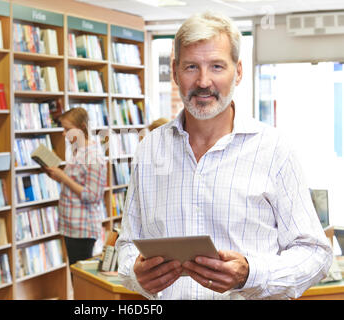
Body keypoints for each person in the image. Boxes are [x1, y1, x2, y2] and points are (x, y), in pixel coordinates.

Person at [115, 11, 333, 300]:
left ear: (238, 71)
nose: (203, 81)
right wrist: (135, 271)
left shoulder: (274, 149)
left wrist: (250, 274)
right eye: (192, 66)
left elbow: (315, 254)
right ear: (176, 70)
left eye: (217, 66)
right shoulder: (149, 149)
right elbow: (127, 243)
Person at [43, 107, 107, 266]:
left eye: (68, 129)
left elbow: (92, 196)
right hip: (70, 223)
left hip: (83, 227)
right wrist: (57, 176)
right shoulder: (77, 151)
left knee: (80, 279)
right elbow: (74, 184)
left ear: (82, 128)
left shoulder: (94, 157)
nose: (64, 134)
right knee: (74, 273)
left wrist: (63, 176)